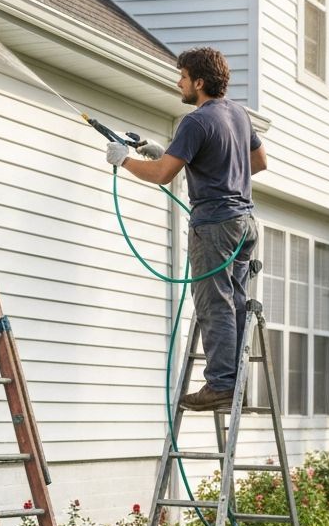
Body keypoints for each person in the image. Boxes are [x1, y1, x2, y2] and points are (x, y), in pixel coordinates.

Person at [105, 47, 267, 411]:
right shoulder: (238, 114)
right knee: (234, 301)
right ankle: (235, 380)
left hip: (214, 226)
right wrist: (190, 158)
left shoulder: (195, 122)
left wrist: (125, 159)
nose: (178, 81)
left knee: (214, 302)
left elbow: (163, 175)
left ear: (199, 81)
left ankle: (221, 384)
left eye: (182, 76)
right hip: (244, 223)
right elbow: (258, 161)